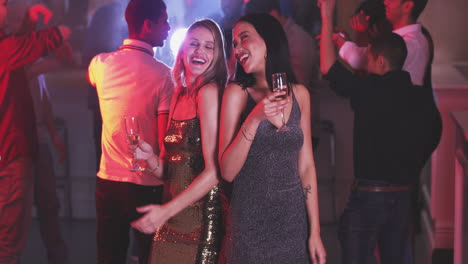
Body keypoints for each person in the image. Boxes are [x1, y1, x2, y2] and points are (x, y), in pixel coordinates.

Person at [318, 0, 441, 263]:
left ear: (381, 62)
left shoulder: (370, 91)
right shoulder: (418, 95)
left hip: (370, 195)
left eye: (371, 58)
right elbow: (435, 130)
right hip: (403, 191)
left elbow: (330, 68)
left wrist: (327, 14)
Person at [218, 13, 326, 264]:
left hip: (292, 223)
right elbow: (227, 171)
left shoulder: (300, 95)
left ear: (269, 41)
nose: (238, 48)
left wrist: (315, 233)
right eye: (234, 43)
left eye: (244, 38)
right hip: (249, 225)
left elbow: (307, 167)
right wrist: (255, 119)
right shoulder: (237, 93)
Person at [130, 19, 228, 264]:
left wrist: (164, 212)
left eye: (209, 47)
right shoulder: (178, 94)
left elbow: (215, 172)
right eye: (193, 44)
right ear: (182, 50)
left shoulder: (209, 93)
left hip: (200, 222)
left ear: (217, 57)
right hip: (171, 217)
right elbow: (172, 172)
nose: (199, 51)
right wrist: (151, 160)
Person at [87, 0, 173, 263]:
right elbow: (163, 143)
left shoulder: (100, 64)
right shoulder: (164, 76)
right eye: (164, 21)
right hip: (147, 185)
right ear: (148, 25)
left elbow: (93, 81)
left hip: (108, 183)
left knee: (108, 256)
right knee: (151, 257)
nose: (168, 27)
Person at [0, 2, 71, 263]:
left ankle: (58, 257)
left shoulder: (17, 49)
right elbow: (30, 55)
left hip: (32, 141)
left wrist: (53, 136)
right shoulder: (12, 52)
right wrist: (60, 33)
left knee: (48, 205)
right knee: (10, 234)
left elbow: (43, 100)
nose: (7, 11)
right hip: (14, 147)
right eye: (4, 6)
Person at [338, 0, 430, 87]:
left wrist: (339, 39)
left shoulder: (410, 42)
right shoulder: (412, 38)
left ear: (407, 6)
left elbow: (360, 59)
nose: (385, 2)